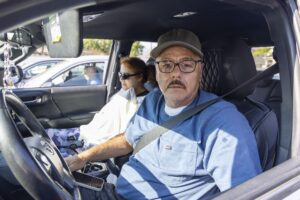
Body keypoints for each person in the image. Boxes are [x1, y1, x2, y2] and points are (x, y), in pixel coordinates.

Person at [66, 29, 262, 199]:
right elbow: (127, 141)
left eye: (186, 64)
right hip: (115, 190)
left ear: (200, 71)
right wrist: (82, 158)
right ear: (156, 71)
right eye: (166, 65)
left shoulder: (224, 124)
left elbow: (245, 193)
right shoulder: (154, 100)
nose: (175, 73)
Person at [47, 57, 149, 157]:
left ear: (140, 77)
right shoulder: (125, 92)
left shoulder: (144, 103)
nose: (121, 79)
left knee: (53, 153)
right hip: (87, 132)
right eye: (120, 75)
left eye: (125, 76)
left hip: (97, 141)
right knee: (45, 136)